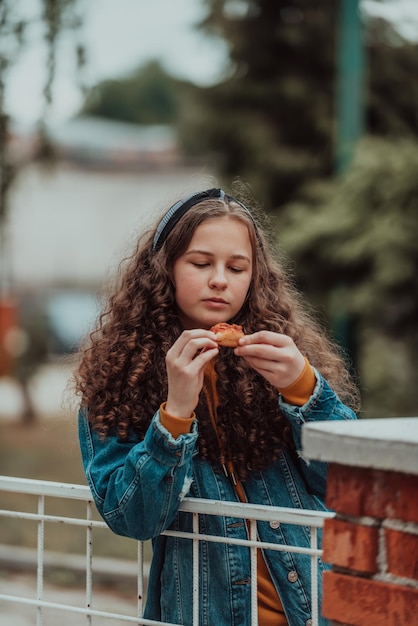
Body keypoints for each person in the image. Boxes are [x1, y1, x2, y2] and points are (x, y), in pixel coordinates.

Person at [75, 187, 360, 626]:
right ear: (164, 269)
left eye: (237, 267)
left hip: (317, 611)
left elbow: (349, 484)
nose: (220, 280)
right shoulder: (117, 378)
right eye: (201, 263)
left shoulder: (286, 359)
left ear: (255, 276)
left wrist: (304, 389)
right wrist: (175, 414)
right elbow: (133, 518)